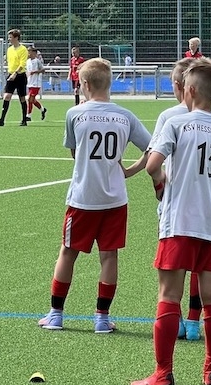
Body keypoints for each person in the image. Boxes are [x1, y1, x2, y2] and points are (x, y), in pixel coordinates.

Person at [132, 57, 211, 385]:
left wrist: (162, 183)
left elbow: (152, 165)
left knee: (169, 294)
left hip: (178, 221)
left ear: (188, 91)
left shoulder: (177, 124)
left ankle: (162, 373)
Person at [38, 58, 151, 334]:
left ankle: (56, 314)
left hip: (83, 197)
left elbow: (74, 152)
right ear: (109, 83)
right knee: (109, 257)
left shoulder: (75, 114)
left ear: (85, 84)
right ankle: (102, 318)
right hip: (115, 199)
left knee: (68, 252)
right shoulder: (125, 116)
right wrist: (130, 170)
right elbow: (152, 149)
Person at [124, 58, 205, 341]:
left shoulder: (170, 116)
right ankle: (194, 322)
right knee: (200, 265)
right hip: (204, 201)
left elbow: (152, 157)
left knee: (173, 263)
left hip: (174, 200)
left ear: (179, 85)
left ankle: (177, 320)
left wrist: (153, 183)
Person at [0, 29, 30, 126]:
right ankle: (2, 120)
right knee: (7, 96)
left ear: (16, 38)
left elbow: (22, 64)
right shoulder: (9, 49)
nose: (9, 39)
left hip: (20, 76)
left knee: (22, 98)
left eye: (10, 37)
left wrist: (15, 73)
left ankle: (24, 120)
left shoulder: (23, 49)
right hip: (11, 75)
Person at [25, 45, 47, 121]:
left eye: (29, 51)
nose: (28, 52)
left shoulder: (37, 61)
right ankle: (42, 109)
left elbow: (43, 70)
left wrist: (35, 72)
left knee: (29, 99)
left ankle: (28, 116)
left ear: (34, 53)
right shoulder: (27, 61)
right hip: (29, 82)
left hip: (36, 83)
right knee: (32, 100)